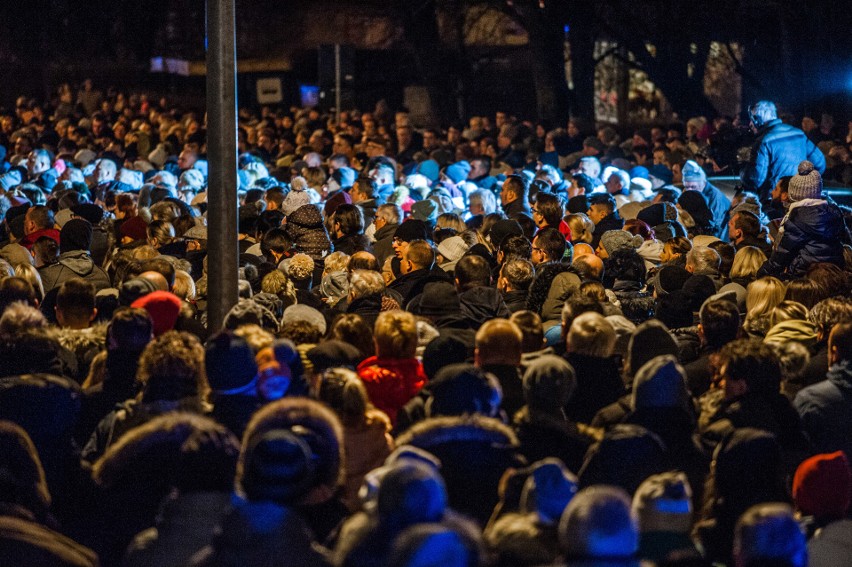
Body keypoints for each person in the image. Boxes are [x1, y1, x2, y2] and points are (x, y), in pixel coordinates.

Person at [758, 161, 849, 278]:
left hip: (805, 276)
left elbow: (781, 256)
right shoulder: (834, 213)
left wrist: (762, 273)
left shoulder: (797, 219)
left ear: (793, 194)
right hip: (833, 274)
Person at [742, 100, 827, 202]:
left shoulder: (764, 141)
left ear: (758, 120)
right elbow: (820, 163)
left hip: (775, 200)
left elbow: (756, 179)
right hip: (800, 197)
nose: (750, 124)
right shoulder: (799, 134)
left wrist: (743, 171)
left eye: (752, 119)